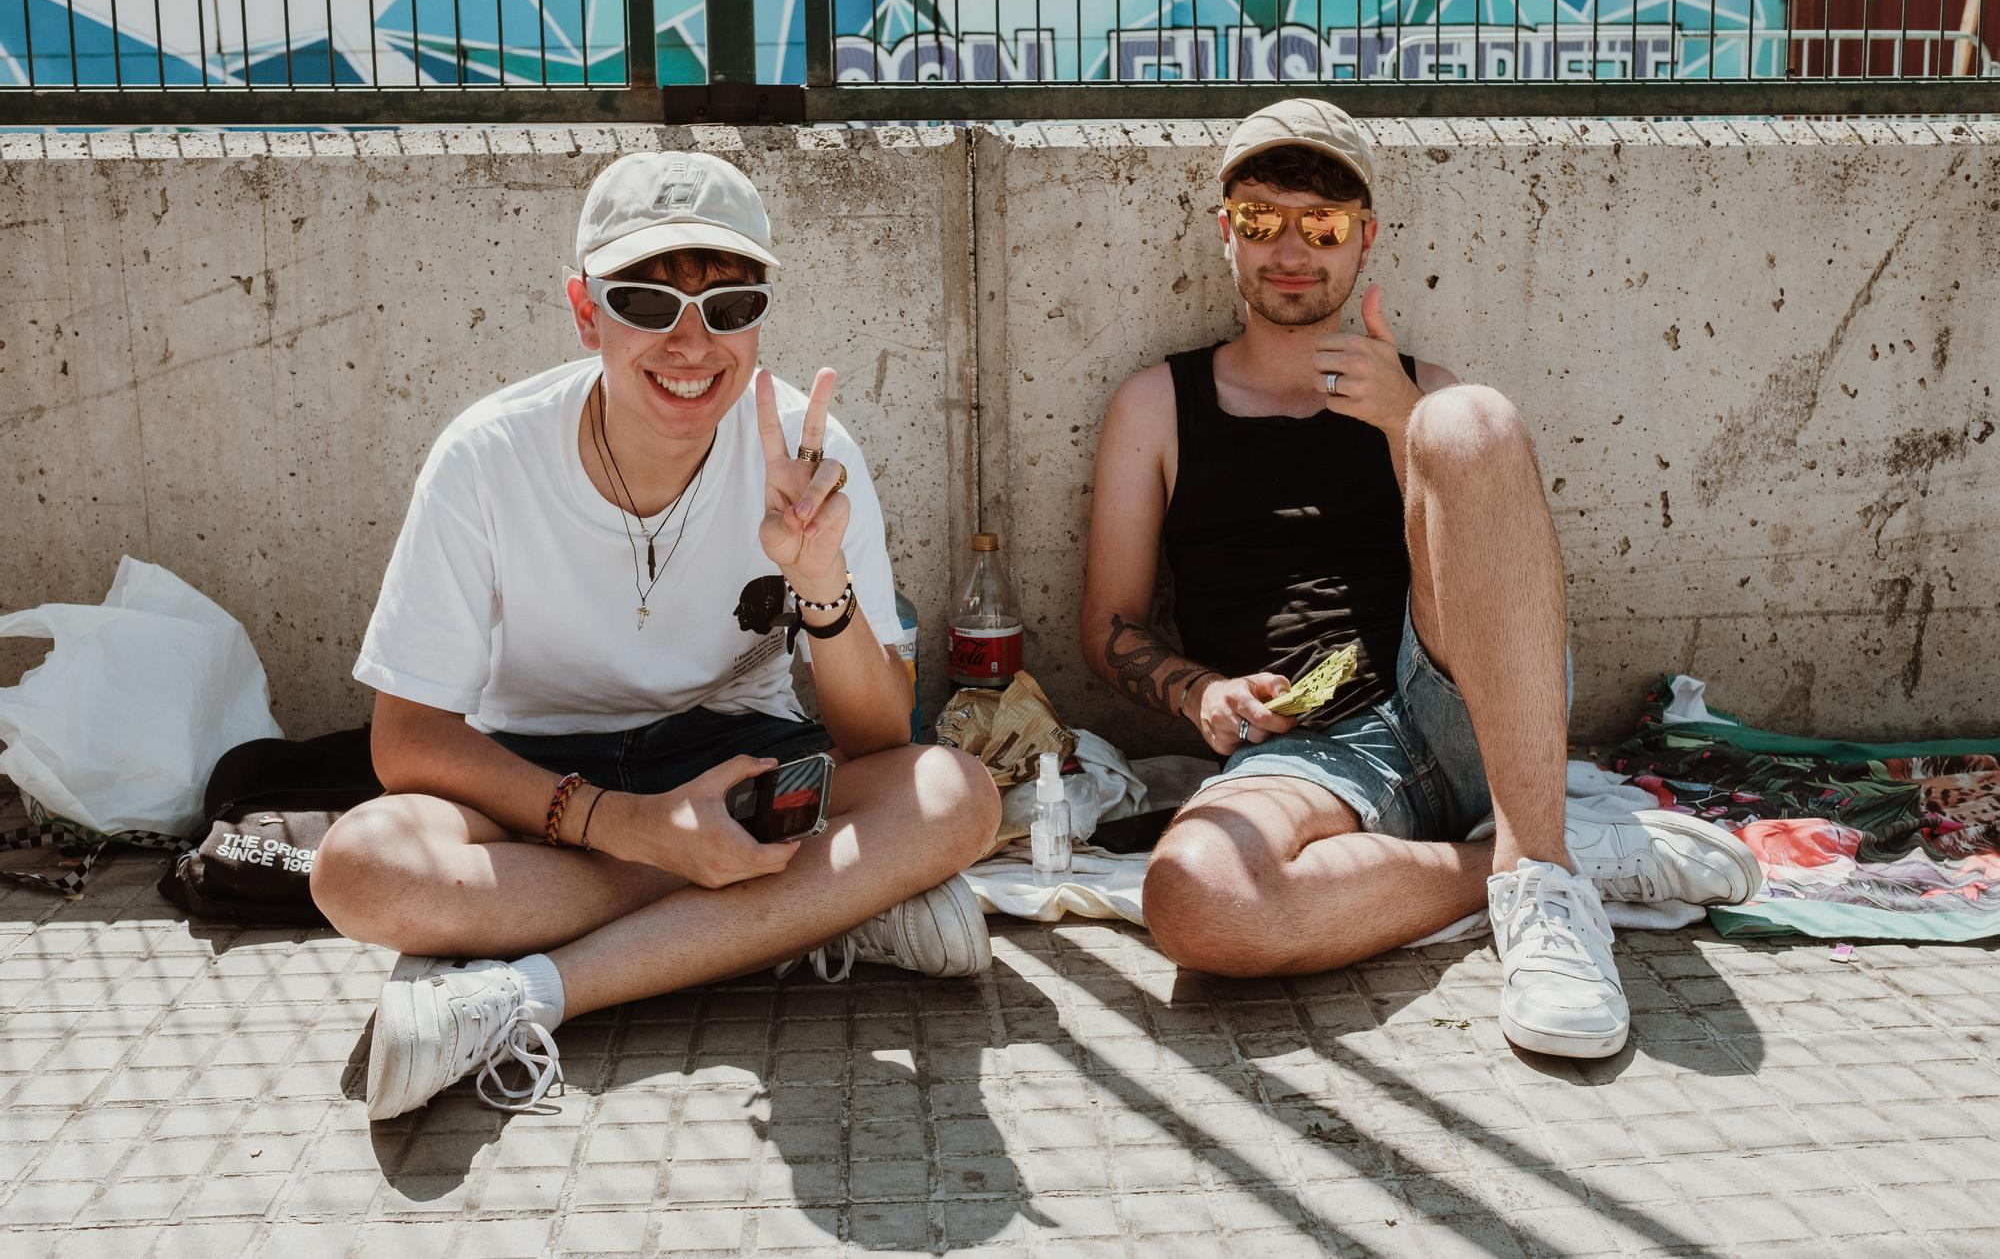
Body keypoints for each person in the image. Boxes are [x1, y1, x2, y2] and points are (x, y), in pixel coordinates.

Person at [311, 151, 1001, 1119]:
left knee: (956, 797)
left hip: (739, 759)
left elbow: (883, 740)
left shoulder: (812, 451)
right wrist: (637, 829)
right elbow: (409, 740)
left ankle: (520, 996)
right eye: (645, 302)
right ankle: (818, 909)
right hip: (542, 780)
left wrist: (818, 582)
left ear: (758, 318)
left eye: (728, 306)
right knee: (360, 867)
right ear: (584, 309)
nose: (690, 344)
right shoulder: (486, 456)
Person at [1078, 99, 1760, 1058]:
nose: (1292, 249)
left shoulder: (1422, 388)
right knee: (1197, 896)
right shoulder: (1158, 404)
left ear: (1365, 241)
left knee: (1471, 422)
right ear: (1226, 231)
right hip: (1308, 751)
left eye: (1322, 224)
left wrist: (1404, 424)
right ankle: (1537, 858)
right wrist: (1202, 691)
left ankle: (1544, 888)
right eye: (1264, 218)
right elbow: (1108, 626)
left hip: (1461, 703)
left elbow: (1484, 581)